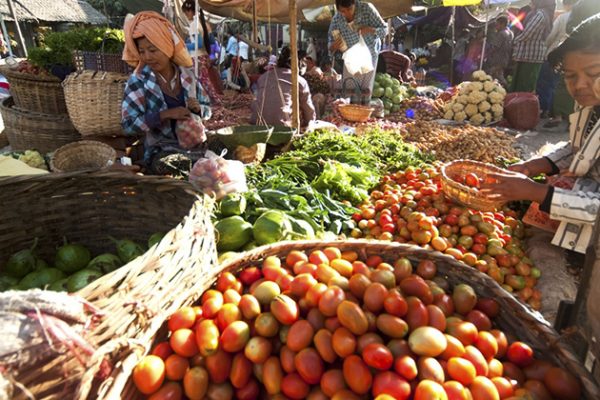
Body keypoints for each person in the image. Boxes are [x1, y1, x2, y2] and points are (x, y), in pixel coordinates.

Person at [481, 14, 600, 256]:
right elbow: (581, 147)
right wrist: (535, 165)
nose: (579, 85)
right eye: (570, 76)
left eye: (593, 73)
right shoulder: (590, 104)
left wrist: (534, 192)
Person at [121, 11, 211, 176]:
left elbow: (208, 110)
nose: (147, 57)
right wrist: (165, 115)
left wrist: (198, 109)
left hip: (196, 145)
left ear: (167, 47)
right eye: (142, 51)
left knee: (226, 151)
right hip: (162, 150)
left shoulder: (187, 76)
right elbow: (128, 125)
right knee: (172, 165)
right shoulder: (138, 81)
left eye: (153, 50)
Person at [327, 0, 387, 102]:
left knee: (365, 90)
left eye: (349, 9)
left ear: (354, 3)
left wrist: (370, 30)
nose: (347, 13)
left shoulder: (367, 9)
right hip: (351, 58)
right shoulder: (337, 19)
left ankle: (363, 113)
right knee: (349, 90)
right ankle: (348, 113)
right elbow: (330, 41)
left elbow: (385, 30)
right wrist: (333, 46)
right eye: (343, 11)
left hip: (370, 55)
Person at [250, 46, 316, 128]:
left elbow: (256, 100)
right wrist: (311, 123)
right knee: (300, 109)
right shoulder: (299, 81)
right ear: (298, 63)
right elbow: (308, 108)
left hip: (257, 123)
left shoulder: (263, 77)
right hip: (282, 126)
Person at [537, 0, 577, 123]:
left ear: (565, 5)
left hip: (555, 55)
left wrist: (546, 49)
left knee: (546, 83)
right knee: (565, 86)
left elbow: (551, 36)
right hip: (573, 58)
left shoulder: (563, 17)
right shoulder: (582, 17)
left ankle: (546, 110)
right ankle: (565, 114)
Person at [511, 0, 556, 92]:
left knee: (523, 87)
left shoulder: (540, 14)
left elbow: (527, 33)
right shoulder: (545, 14)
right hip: (531, 56)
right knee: (524, 86)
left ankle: (520, 106)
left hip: (529, 56)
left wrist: (515, 40)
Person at [181, 0, 222, 102]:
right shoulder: (200, 23)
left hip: (197, 56)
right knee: (203, 80)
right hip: (202, 55)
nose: (185, 15)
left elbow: (198, 44)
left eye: (186, 12)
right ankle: (212, 100)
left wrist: (183, 45)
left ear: (190, 11)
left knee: (203, 81)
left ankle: (216, 101)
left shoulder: (194, 25)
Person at [485, 16, 514, 87]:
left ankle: (506, 87)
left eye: (497, 24)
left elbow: (495, 47)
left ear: (502, 24)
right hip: (505, 59)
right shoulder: (510, 33)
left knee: (492, 75)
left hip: (497, 59)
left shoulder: (501, 34)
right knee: (498, 75)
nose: (496, 26)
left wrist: (487, 53)